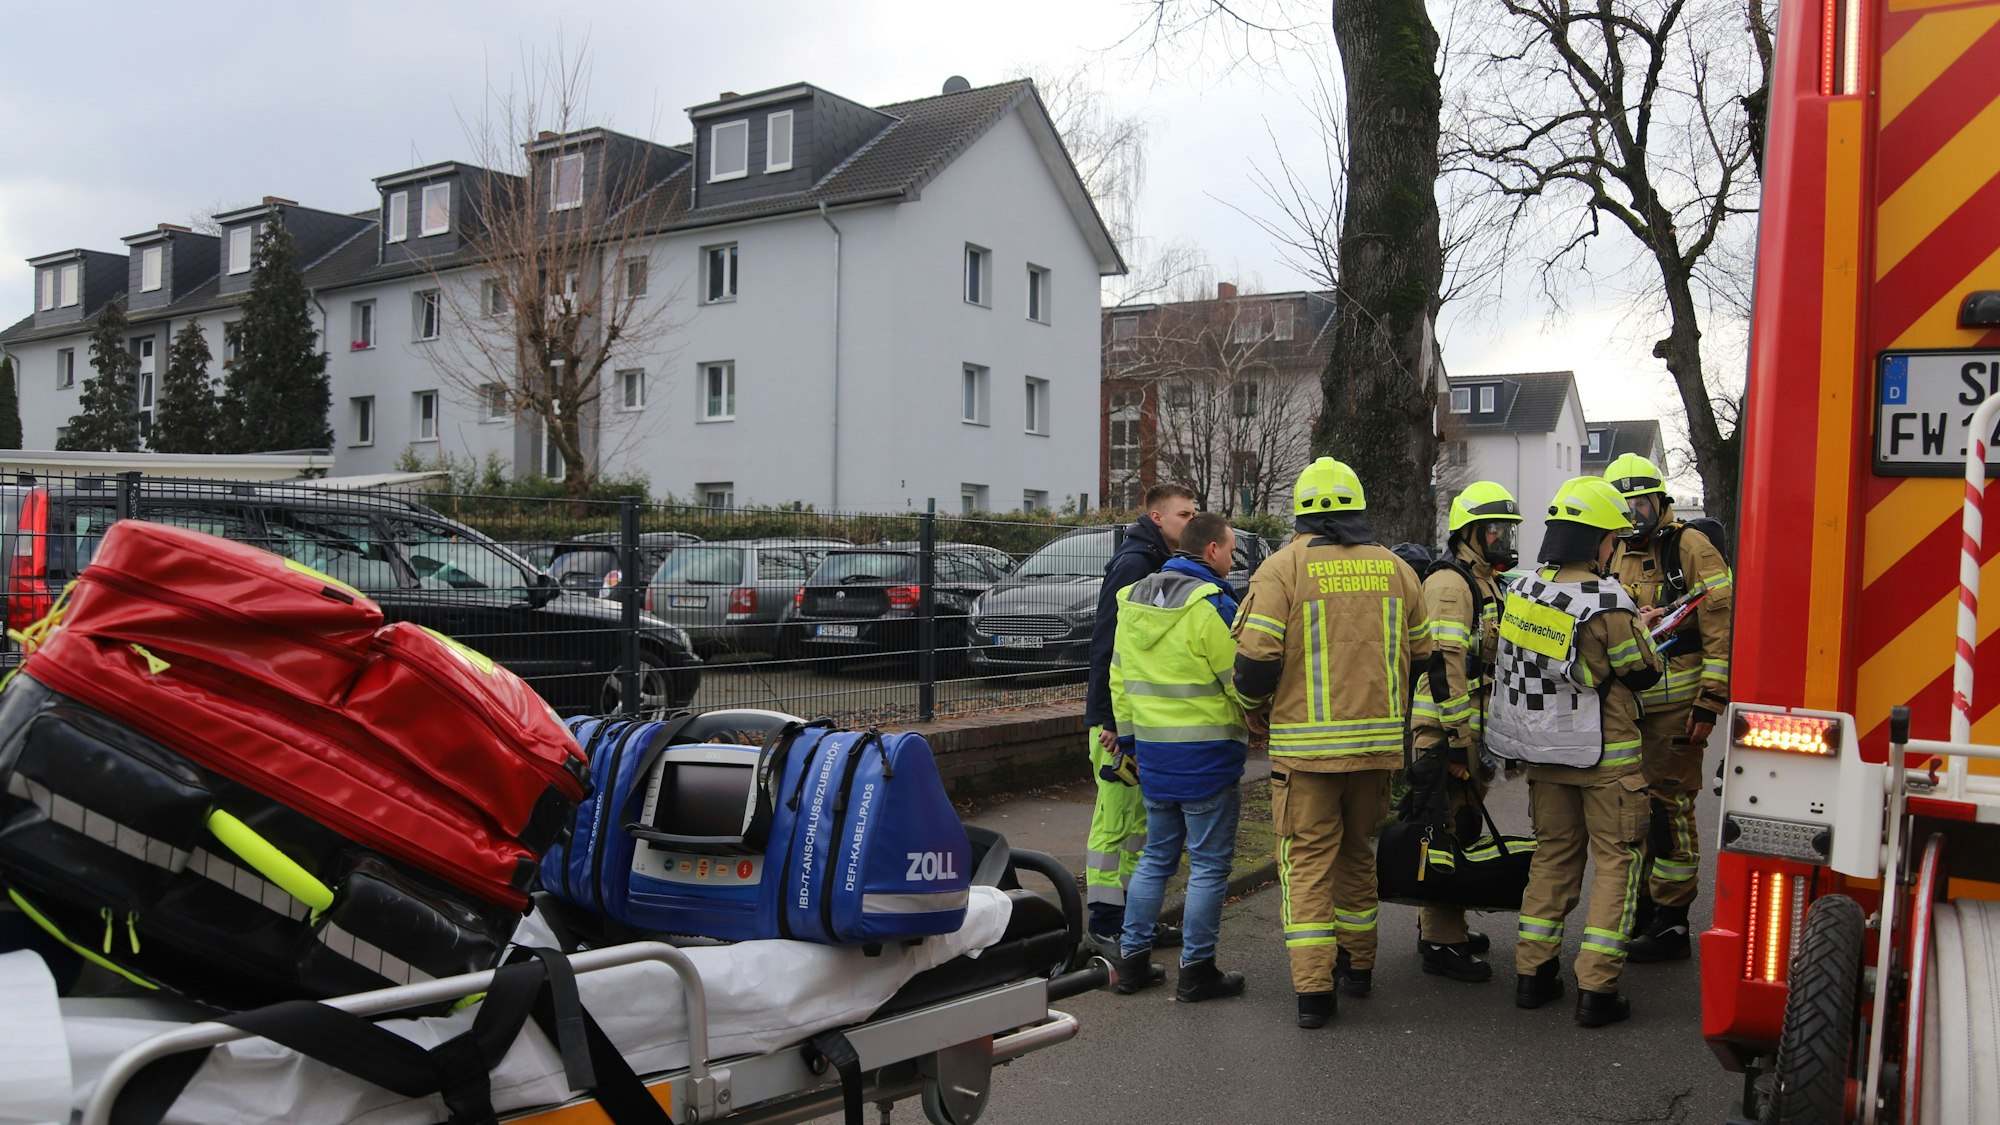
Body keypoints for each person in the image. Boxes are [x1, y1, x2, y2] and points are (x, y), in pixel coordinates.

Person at [1232, 457, 1431, 1029]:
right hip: (1376, 752)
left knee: (1306, 866)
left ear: (1301, 511)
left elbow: (1253, 667)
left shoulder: (1282, 568)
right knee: (1357, 856)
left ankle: (1315, 994)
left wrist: (1253, 715)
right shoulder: (1397, 569)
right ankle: (1360, 968)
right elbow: (1421, 656)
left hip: (1305, 757)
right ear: (1357, 509)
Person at [1486, 476, 1664, 1027]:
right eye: (1612, 538)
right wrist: (1646, 629)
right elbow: (1642, 673)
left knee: (1553, 860)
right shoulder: (1608, 600)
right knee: (1616, 864)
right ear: (1596, 542)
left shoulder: (1526, 591)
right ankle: (1597, 989)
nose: (1616, 548)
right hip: (1604, 757)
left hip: (1544, 752)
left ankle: (1533, 975)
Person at [1108, 513, 1253, 1002]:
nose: (1232, 560)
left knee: (1155, 859)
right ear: (1211, 550)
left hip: (1153, 753)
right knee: (1209, 866)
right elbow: (1239, 681)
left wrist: (1129, 742)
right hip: (1207, 756)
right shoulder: (1211, 605)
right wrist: (1257, 719)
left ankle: (1131, 963)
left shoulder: (1132, 600)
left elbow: (1119, 681)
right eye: (1231, 550)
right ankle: (1197, 971)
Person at [1603, 454, 1733, 962]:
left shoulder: (1690, 546)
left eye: (1642, 503)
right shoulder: (1611, 551)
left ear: (1660, 501)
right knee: (1633, 807)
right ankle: (1641, 907)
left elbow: (1721, 628)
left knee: (1670, 807)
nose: (1634, 514)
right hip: (1629, 706)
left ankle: (1672, 921)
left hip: (1679, 706)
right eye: (1625, 506)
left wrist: (1710, 701)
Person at [1407, 481, 1524, 984]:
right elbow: (1445, 665)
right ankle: (1440, 940)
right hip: (1446, 732)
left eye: (1507, 529)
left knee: (1461, 828)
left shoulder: (1485, 582)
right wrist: (1457, 739)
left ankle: (1441, 922)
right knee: (1446, 835)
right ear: (1470, 532)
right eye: (1495, 528)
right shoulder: (1451, 585)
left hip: (1466, 732)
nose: (1503, 537)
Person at [1082, 482, 1198, 976]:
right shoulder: (1135, 564)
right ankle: (1105, 924)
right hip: (1117, 727)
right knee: (1114, 825)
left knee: (1136, 828)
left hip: (1133, 723)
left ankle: (1136, 921)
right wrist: (1111, 722)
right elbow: (1109, 646)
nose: (1191, 522)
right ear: (1156, 517)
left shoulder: (1149, 561)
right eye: (1184, 514)